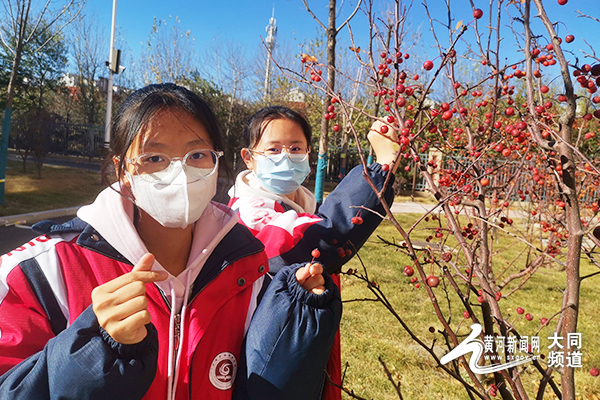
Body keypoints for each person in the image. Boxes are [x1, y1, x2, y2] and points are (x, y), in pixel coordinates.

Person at [0, 84, 341, 400]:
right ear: (123, 171)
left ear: (216, 160)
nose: (179, 174)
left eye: (197, 155)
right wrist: (89, 353)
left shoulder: (249, 267)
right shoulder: (42, 271)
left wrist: (295, 320)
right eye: (154, 158)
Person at [228, 106, 398, 399]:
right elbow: (311, 243)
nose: (286, 156)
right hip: (267, 362)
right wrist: (381, 166)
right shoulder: (250, 213)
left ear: (308, 153)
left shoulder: (297, 206)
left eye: (295, 147)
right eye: (273, 149)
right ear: (249, 158)